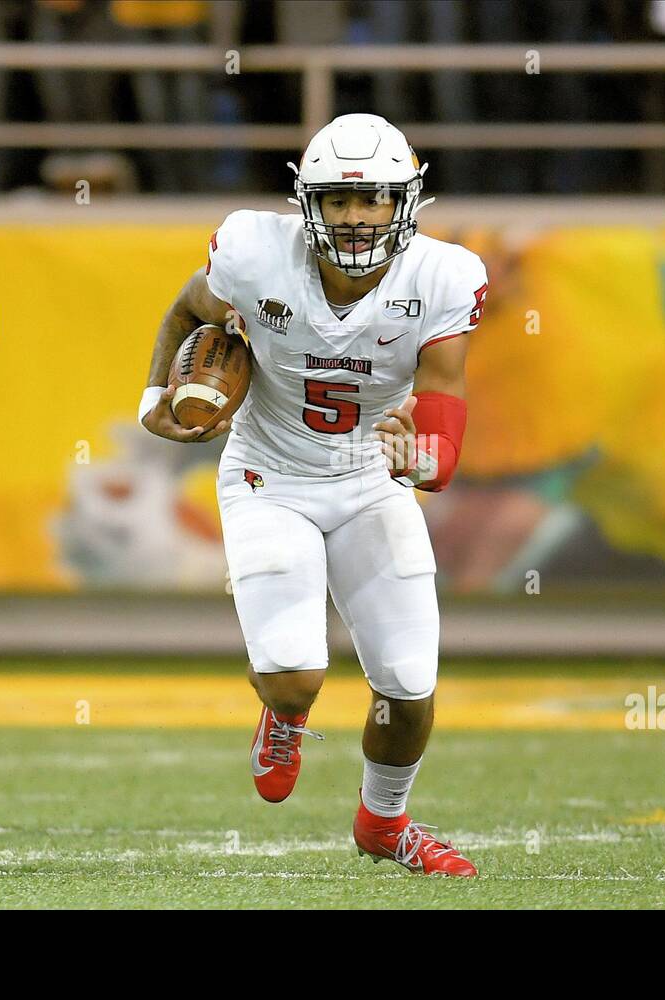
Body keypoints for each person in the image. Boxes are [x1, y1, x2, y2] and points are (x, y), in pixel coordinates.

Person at [140, 114, 486, 876]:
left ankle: (383, 825)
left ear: (406, 202)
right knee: (296, 677)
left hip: (369, 480)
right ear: (308, 203)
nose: (356, 219)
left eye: (372, 202)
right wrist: (151, 399)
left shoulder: (440, 277)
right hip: (270, 475)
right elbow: (186, 310)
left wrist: (426, 459)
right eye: (337, 201)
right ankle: (283, 717)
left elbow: (442, 397)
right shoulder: (253, 254)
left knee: (409, 683)